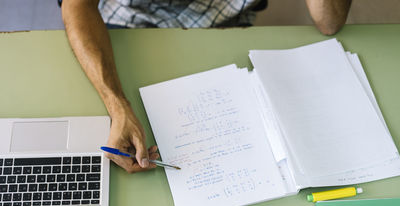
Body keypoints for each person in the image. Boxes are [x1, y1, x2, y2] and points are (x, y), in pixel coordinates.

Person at [61, 0, 352, 173]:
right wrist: (118, 106)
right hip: (128, 21)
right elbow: (77, 5)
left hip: (226, 23)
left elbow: (329, 22)